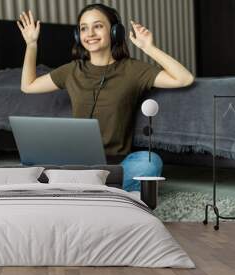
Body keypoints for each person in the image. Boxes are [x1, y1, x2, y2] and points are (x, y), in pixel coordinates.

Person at [16, 4, 194, 191]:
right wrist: (31, 45)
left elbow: (184, 78)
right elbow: (28, 86)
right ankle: (100, 190)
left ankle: (76, 189)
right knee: (31, 165)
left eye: (98, 26)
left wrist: (149, 48)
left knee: (149, 162)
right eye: (84, 28)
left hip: (116, 165)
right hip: (75, 163)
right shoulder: (71, 71)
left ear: (115, 32)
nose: (90, 33)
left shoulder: (133, 70)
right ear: (78, 35)